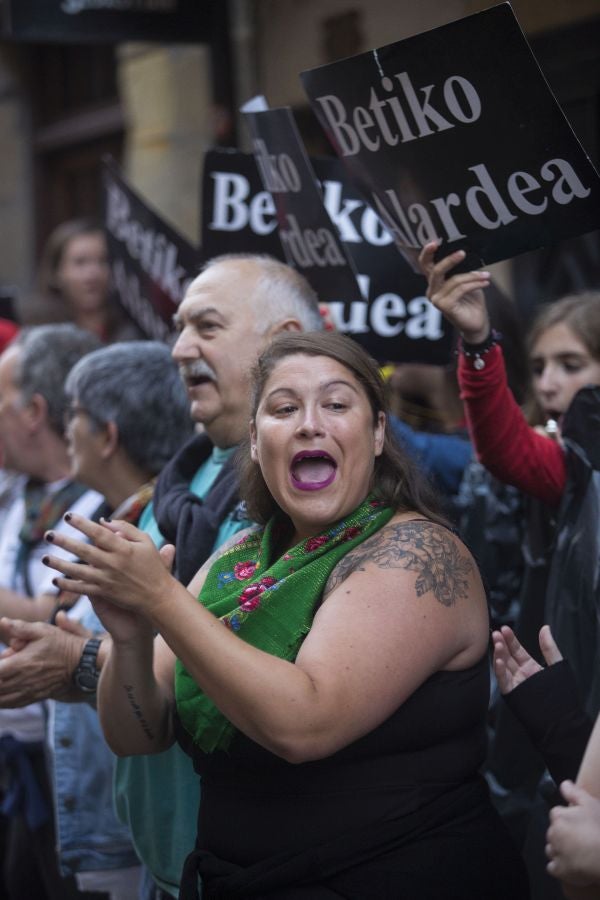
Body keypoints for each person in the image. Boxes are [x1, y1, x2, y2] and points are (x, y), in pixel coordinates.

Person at [45, 331, 529, 899]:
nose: (308, 424)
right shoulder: (238, 557)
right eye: (283, 408)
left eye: (336, 404)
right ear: (254, 441)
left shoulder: (417, 554)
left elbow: (305, 724)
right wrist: (129, 640)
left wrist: (161, 599)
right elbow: (137, 734)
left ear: (377, 434)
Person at [2, 254, 324, 898]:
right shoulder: (181, 479)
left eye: (206, 326)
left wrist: (82, 660)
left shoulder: (310, 489)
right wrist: (113, 647)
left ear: (286, 341)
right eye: (178, 327)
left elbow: (260, 682)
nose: (179, 349)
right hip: (165, 856)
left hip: (254, 860)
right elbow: (140, 722)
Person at [0, 324, 142, 899]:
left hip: (78, 773)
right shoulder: (18, 491)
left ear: (35, 409)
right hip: (21, 762)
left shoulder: (102, 504)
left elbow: (57, 618)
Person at [32, 218, 140, 342]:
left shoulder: (134, 330)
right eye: (80, 262)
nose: (93, 274)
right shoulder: (36, 333)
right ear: (56, 272)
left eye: (103, 260)